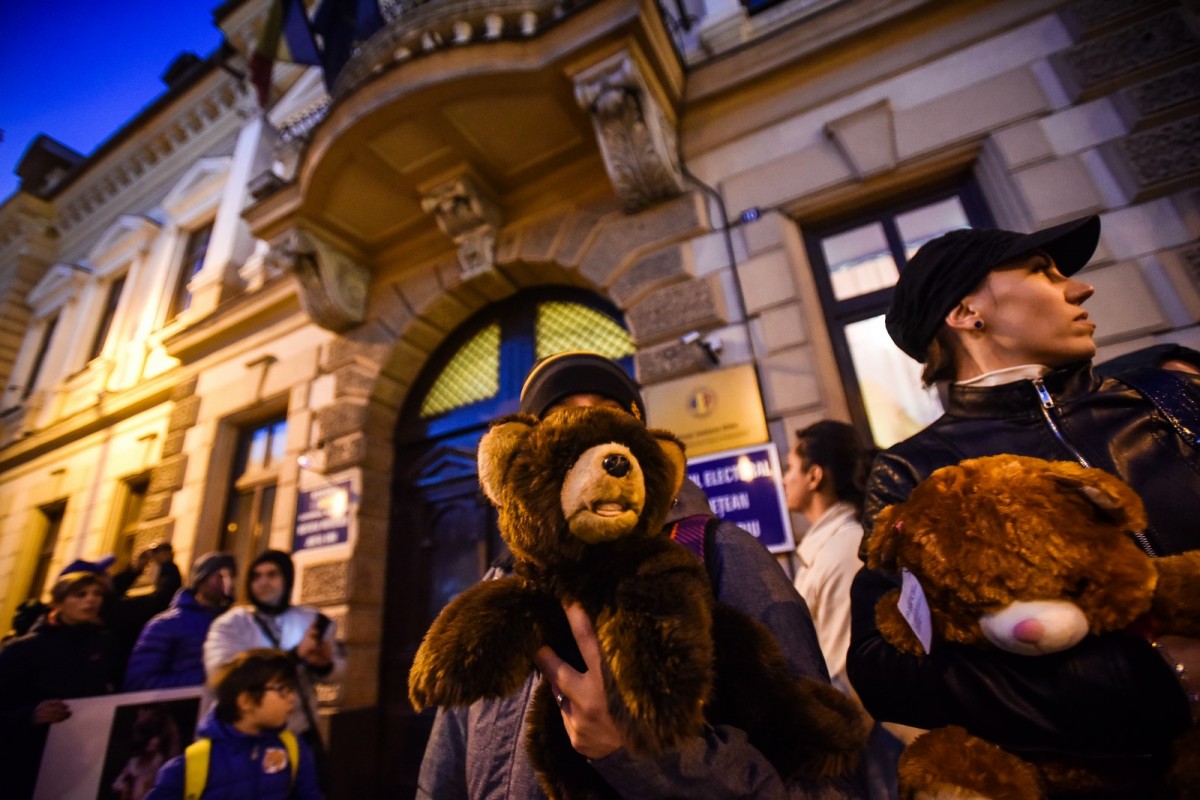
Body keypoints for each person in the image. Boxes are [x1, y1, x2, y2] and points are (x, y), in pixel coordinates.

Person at [848, 214, 1200, 789]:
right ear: (966, 313)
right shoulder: (916, 469)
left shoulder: (1169, 401)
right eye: (1043, 271)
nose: (1080, 287)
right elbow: (885, 665)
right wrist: (1159, 679)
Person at [417, 351, 863, 799]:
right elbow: (441, 778)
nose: (587, 429)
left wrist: (638, 754)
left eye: (608, 416)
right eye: (562, 418)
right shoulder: (499, 592)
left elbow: (826, 785)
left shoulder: (721, 555)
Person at [784, 420, 904, 800]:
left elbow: (848, 678)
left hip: (865, 755)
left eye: (790, 467)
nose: (785, 478)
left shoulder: (842, 550)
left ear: (815, 475)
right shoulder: (827, 548)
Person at [204, 550, 343, 789]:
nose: (263, 582)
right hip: (245, 738)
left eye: (272, 575)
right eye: (256, 576)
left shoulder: (308, 619)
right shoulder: (232, 623)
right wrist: (295, 655)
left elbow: (337, 671)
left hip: (298, 733)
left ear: (287, 579)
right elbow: (223, 676)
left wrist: (323, 665)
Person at [0, 570, 122, 798]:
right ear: (58, 603)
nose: (91, 600)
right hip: (27, 764)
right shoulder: (24, 649)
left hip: (84, 761)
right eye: (80, 594)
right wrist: (30, 715)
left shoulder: (104, 644)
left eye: (97, 594)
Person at [145, 648, 322, 800]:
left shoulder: (292, 748)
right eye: (282, 690)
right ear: (245, 701)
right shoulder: (193, 764)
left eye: (292, 689)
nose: (292, 698)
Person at [125, 552, 237, 690]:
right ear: (201, 579)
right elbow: (140, 681)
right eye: (220, 576)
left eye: (231, 576)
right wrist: (203, 680)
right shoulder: (165, 624)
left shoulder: (234, 624)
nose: (228, 583)